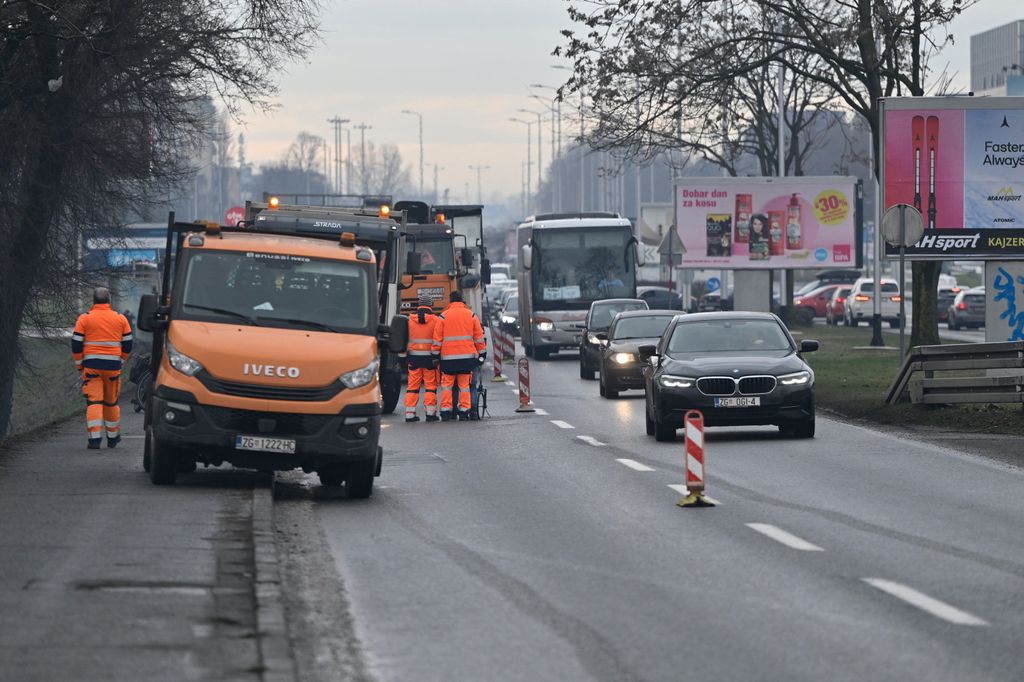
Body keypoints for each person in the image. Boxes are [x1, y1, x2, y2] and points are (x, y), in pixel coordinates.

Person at [72, 287, 133, 449]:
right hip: (112, 367)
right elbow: (128, 344)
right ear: (109, 301)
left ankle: (94, 440)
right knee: (111, 403)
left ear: (93, 301)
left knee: (94, 402)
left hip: (91, 367)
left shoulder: (84, 318)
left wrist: (79, 365)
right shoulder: (120, 319)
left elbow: (76, 344)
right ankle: (112, 438)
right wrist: (121, 360)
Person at [432, 291, 486, 421]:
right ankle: (464, 411)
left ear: (450, 301)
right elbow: (478, 337)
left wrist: (435, 355)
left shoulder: (443, 316)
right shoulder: (471, 315)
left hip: (448, 360)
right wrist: (482, 353)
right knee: (464, 387)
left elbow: (437, 339)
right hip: (466, 359)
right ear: (462, 300)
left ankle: (446, 411)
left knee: (447, 387)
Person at [404, 295, 440, 423]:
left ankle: (409, 414)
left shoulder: (410, 320)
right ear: (430, 305)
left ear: (419, 305)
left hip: (413, 358)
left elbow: (405, 339)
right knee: (430, 386)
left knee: (412, 386)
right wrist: (437, 355)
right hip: (430, 359)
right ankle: (430, 413)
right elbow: (438, 340)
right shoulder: (436, 320)